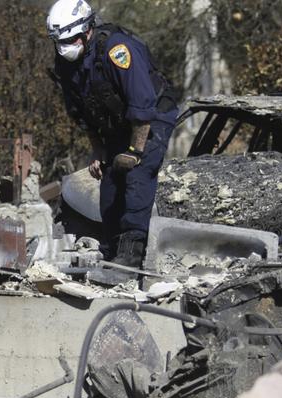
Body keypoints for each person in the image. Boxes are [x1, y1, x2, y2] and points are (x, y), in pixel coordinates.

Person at [46, 0, 179, 267]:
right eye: (59, 41)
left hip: (151, 117)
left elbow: (142, 106)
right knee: (109, 182)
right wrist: (99, 150)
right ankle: (111, 249)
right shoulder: (67, 64)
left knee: (136, 175)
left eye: (70, 39)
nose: (64, 47)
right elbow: (82, 114)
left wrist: (135, 151)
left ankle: (132, 254)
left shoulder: (117, 51)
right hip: (117, 123)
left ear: (86, 31)